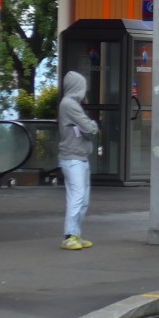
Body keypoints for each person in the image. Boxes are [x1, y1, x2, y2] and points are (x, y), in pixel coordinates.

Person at [58, 71, 100, 250]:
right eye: (82, 87)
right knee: (77, 197)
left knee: (82, 198)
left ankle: (76, 233)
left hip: (79, 157)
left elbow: (85, 126)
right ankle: (69, 236)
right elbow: (89, 127)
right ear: (77, 87)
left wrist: (88, 126)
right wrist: (92, 126)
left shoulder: (71, 104)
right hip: (73, 158)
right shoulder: (69, 105)